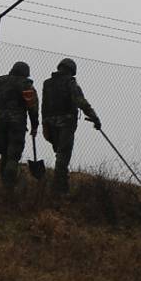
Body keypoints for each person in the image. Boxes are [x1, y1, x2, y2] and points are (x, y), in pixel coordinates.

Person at [41, 58, 101, 193]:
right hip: (66, 123)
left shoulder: (47, 83)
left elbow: (44, 105)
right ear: (72, 71)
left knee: (59, 154)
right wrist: (94, 117)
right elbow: (81, 101)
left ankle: (60, 185)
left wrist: (44, 123)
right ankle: (59, 189)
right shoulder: (70, 82)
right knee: (63, 155)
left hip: (50, 123)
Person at [0, 61, 39, 190]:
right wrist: (34, 126)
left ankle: (3, 182)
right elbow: (33, 107)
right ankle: (8, 186)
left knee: (4, 152)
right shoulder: (26, 85)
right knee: (13, 155)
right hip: (17, 123)